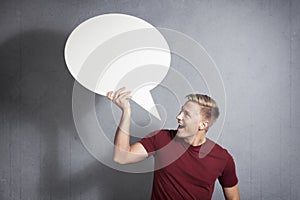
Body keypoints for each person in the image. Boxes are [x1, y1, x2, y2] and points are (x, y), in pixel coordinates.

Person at [107, 87, 240, 200]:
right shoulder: (161, 138)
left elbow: (233, 197)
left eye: (186, 114)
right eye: (181, 111)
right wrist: (126, 111)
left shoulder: (222, 158)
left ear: (203, 125)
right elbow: (121, 157)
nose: (178, 116)